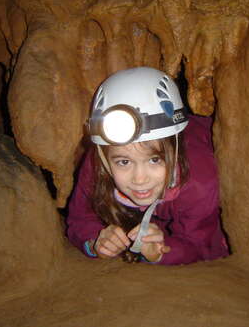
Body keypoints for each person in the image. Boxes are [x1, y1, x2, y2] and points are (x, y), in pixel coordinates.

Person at [66, 67, 229, 265]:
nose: (140, 179)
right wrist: (95, 241)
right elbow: (79, 219)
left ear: (174, 149)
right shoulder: (97, 164)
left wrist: (162, 253)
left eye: (154, 160)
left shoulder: (198, 182)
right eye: (124, 162)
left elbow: (204, 245)